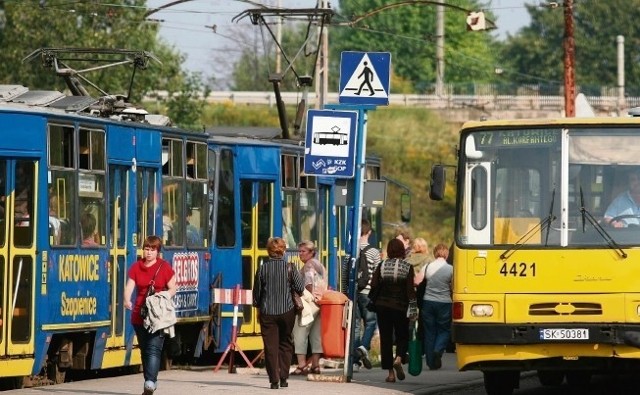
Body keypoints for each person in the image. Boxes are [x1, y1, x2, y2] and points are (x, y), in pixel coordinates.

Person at [124, 236, 177, 395]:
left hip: (158, 316)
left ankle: (150, 382)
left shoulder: (164, 267)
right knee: (144, 349)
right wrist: (127, 300)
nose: (148, 253)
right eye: (146, 249)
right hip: (139, 315)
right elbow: (129, 287)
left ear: (157, 252)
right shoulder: (136, 267)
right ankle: (149, 382)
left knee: (154, 349)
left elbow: (173, 288)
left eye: (152, 250)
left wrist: (164, 296)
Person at [252, 237, 304, 390]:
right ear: (283, 250)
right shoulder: (290, 267)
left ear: (268, 251)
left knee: (270, 346)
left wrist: (259, 307)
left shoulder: (262, 268)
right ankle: (284, 378)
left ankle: (274, 381)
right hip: (287, 311)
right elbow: (300, 288)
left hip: (268, 312)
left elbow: (257, 294)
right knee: (286, 343)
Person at [370, 238, 417, 383]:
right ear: (402, 250)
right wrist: (414, 309)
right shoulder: (407, 267)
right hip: (400, 307)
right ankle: (399, 358)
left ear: (389, 250)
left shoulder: (382, 265)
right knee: (402, 335)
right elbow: (410, 291)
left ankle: (390, 374)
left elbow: (374, 284)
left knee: (386, 339)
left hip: (382, 306)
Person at [414, 243, 453, 371]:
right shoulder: (451, 269)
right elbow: (454, 287)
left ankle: (431, 363)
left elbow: (416, 281)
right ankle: (438, 350)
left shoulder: (428, 266)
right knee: (444, 330)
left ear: (435, 253)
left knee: (429, 332)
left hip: (428, 302)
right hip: (445, 303)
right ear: (446, 254)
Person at [291, 240, 326, 375]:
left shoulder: (308, 267)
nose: (300, 254)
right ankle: (315, 365)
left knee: (300, 332)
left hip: (310, 303)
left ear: (311, 252)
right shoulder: (320, 265)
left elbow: (309, 283)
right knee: (316, 334)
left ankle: (301, 365)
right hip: (320, 303)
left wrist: (308, 297)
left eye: (303, 251)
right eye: (299, 251)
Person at [352, 219, 381, 371]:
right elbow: (379, 274)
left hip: (354, 293)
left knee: (356, 326)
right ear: (369, 232)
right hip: (368, 293)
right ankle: (363, 347)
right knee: (370, 323)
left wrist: (347, 293)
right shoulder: (374, 252)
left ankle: (355, 363)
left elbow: (345, 273)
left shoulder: (351, 250)